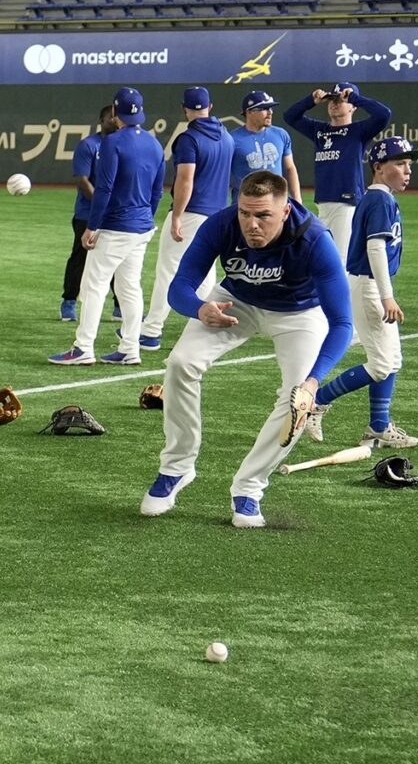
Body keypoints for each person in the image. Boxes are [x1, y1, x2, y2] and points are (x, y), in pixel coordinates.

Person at [140, 172, 354, 529]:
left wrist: (315, 381)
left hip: (299, 312)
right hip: (235, 302)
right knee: (181, 362)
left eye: (263, 216)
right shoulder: (220, 225)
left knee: (296, 397)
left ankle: (249, 487)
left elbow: (343, 324)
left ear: (285, 211)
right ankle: (176, 468)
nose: (251, 224)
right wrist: (198, 308)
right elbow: (180, 285)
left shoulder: (315, 239)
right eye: (245, 213)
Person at [311, 136, 418, 452]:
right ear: (379, 167)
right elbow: (375, 248)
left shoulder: (379, 198)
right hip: (370, 286)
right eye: (400, 163)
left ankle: (378, 427)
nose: (407, 170)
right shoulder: (379, 200)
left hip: (369, 285)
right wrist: (386, 296)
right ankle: (317, 401)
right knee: (381, 365)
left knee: (391, 359)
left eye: (408, 164)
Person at [53, 88, 160, 367]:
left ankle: (83, 347)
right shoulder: (155, 144)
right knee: (129, 287)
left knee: (94, 285)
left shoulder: (112, 143)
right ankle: (129, 348)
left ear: (115, 112)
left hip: (116, 226)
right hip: (142, 226)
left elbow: (105, 189)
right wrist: (146, 218)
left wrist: (93, 226)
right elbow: (158, 191)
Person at [141, 86, 234, 350]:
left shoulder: (188, 139)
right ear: (210, 107)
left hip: (193, 212)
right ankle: (205, 325)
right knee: (205, 274)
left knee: (168, 271)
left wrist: (177, 216)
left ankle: (151, 331)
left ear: (184, 109)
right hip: (219, 213)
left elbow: (185, 180)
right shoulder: (226, 136)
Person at [283, 83, 394, 255]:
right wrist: (311, 100)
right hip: (323, 202)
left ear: (352, 107)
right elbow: (290, 116)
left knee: (339, 257)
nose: (334, 104)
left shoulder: (358, 131)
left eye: (339, 100)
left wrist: (354, 98)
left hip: (346, 203)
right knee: (321, 255)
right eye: (331, 100)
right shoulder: (319, 131)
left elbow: (384, 115)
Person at [61, 104, 117, 321]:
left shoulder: (122, 145)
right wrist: (101, 204)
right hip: (87, 213)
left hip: (114, 215)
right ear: (101, 121)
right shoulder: (89, 145)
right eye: (109, 118)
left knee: (115, 259)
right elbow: (82, 180)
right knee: (80, 258)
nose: (114, 120)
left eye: (116, 117)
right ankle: (68, 302)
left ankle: (119, 305)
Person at [224, 89, 298, 204]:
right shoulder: (232, 139)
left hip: (276, 203)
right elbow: (223, 174)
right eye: (264, 108)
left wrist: (297, 199)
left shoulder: (281, 134)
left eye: (271, 108)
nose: (270, 112)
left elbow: (290, 168)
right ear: (249, 112)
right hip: (246, 206)